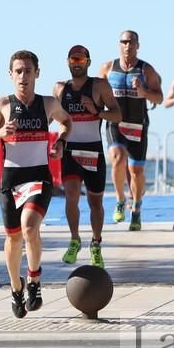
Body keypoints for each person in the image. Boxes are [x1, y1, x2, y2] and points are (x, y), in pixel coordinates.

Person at [0, 50, 71, 318]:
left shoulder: (49, 103)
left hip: (39, 176)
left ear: (37, 73)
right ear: (10, 75)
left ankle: (34, 280)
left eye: (28, 71)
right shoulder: (2, 105)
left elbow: (66, 122)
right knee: (14, 238)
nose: (23, 76)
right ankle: (15, 287)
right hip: (11, 180)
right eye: (18, 71)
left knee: (30, 227)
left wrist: (61, 142)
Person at [53, 45, 121, 269]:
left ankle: (96, 243)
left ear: (88, 62)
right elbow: (53, 116)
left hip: (93, 151)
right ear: (68, 62)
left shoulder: (99, 86)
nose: (77, 63)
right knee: (71, 196)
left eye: (81, 59)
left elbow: (117, 114)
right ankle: (74, 239)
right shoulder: (60, 88)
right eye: (73, 59)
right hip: (71, 151)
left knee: (95, 202)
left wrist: (96, 111)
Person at [99, 30, 163, 231]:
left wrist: (144, 92)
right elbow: (97, 93)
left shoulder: (146, 70)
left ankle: (136, 209)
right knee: (117, 159)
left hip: (137, 124)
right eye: (124, 42)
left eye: (131, 42)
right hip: (116, 123)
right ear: (119, 44)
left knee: (136, 171)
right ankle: (119, 199)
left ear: (138, 45)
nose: (127, 46)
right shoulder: (108, 68)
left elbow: (159, 98)